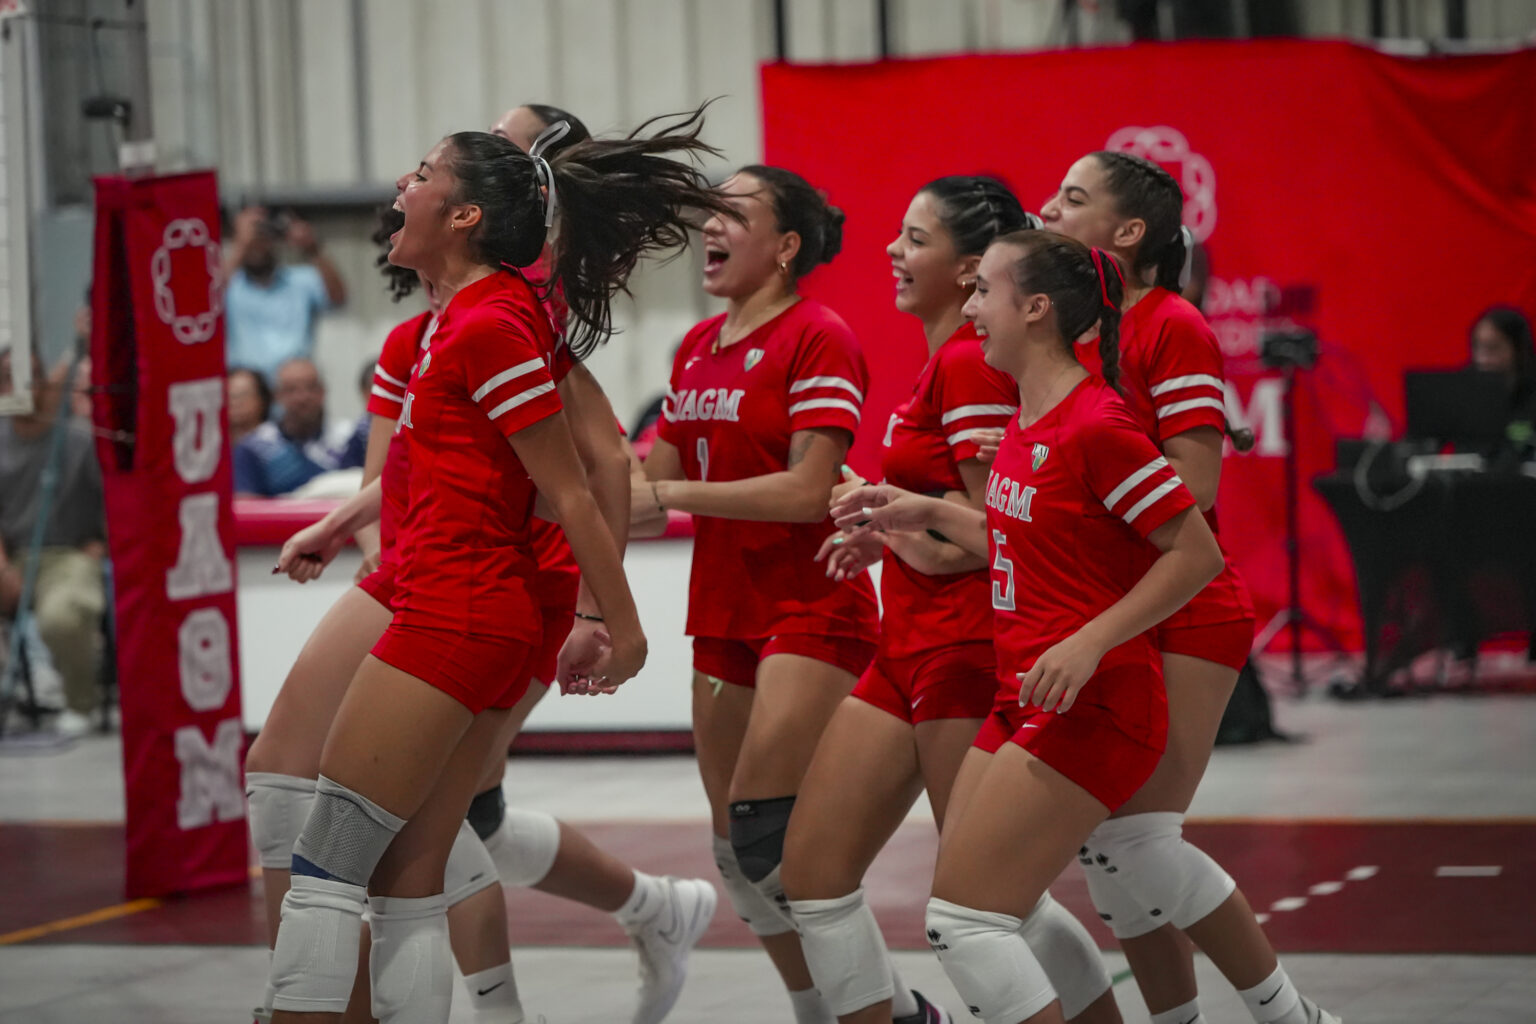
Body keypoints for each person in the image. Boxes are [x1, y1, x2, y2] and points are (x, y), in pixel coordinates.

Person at [262, 109, 732, 1023]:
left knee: (325, 865)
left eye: (425, 171)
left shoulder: (492, 322)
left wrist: (620, 628)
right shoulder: (469, 318)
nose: (402, 183)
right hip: (468, 608)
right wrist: (351, 517)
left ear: (469, 213)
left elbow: (579, 486)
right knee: (409, 880)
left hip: (459, 613)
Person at [832, 229, 1225, 1024]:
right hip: (1028, 695)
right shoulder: (1026, 419)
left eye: (985, 291)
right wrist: (922, 510)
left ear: (1037, 308)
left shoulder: (1095, 424)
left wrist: (1088, 642)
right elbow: (1015, 535)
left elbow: (1197, 555)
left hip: (1094, 700)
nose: (970, 307)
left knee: (967, 924)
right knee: (980, 916)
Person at [780, 178, 1117, 1024]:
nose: (893, 252)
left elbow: (996, 531)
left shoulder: (970, 364)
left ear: (973, 268)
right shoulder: (948, 360)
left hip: (966, 651)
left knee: (989, 906)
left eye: (914, 238)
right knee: (812, 877)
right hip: (907, 646)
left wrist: (887, 516)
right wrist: (887, 524)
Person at [1038, 151, 1338, 1024]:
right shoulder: (1069, 331)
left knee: (1137, 839)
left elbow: (1195, 486)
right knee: (1108, 850)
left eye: (1073, 198)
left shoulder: (1173, 324)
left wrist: (1075, 493)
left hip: (1186, 609)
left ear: (1128, 232)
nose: (1049, 207)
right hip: (1102, 607)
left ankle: (1289, 1013)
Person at [634, 165, 880, 1024]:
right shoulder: (695, 347)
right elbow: (647, 484)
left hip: (813, 603)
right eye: (708, 211)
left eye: (733, 213)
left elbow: (809, 491)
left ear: (784, 246)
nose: (709, 225)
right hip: (722, 610)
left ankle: (886, 1007)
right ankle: (820, 1008)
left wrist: (667, 497)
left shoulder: (820, 336)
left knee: (770, 832)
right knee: (735, 850)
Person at [0, 341, 107, 737]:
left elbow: (112, 508)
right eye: (9, 378)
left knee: (63, 618)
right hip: (10, 557)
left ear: (47, 382)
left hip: (68, 556)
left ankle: (80, 702)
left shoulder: (80, 439)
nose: (21, 387)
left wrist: (100, 544)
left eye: (30, 377)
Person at [224, 206, 347, 382]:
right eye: (253, 236)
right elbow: (205, 308)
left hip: (293, 389)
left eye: (264, 234)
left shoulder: (300, 279)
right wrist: (240, 246)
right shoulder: (230, 284)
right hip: (246, 390)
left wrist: (313, 250)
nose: (258, 244)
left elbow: (338, 299)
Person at [233, 357, 364, 497]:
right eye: (291, 390)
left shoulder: (350, 438)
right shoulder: (254, 447)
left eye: (310, 387)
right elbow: (246, 505)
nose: (302, 397)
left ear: (322, 392)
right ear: (277, 396)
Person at [1468, 306, 1536, 460]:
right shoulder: (1463, 391)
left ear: (1518, 349)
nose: (1482, 359)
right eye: (1477, 347)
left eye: (1493, 348)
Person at [228, 367, 273, 446]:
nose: (235, 402)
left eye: (243, 395)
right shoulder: (213, 445)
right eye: (230, 396)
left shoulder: (275, 444)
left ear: (263, 400)